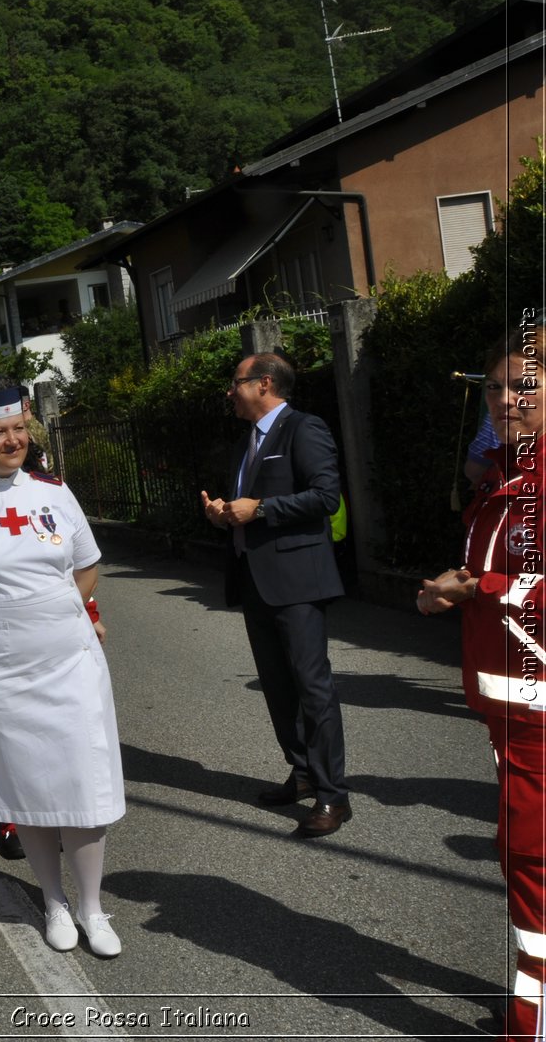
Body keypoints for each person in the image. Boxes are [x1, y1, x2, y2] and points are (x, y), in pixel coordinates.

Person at [0, 387, 123, 959]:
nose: (12, 440)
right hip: (0, 668)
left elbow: (86, 565)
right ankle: (55, 901)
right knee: (28, 783)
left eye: (18, 429)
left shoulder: (56, 493)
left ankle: (92, 906)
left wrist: (56, 613)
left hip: (69, 661)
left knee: (83, 779)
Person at [417, 323, 546, 1039]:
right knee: (524, 857)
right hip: (507, 711)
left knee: (530, 860)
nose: (504, 397)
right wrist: (450, 591)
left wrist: (479, 587)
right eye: (495, 386)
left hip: (537, 709)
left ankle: (531, 1019)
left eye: (523, 384)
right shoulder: (505, 474)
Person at [199, 352, 349, 837]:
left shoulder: (304, 428)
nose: (230, 391)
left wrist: (260, 508)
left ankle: (333, 797)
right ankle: (302, 771)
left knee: (312, 686)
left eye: (235, 382)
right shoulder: (246, 442)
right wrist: (224, 512)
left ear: (264, 384)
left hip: (299, 581)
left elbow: (326, 496)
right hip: (255, 578)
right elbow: (247, 507)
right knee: (278, 687)